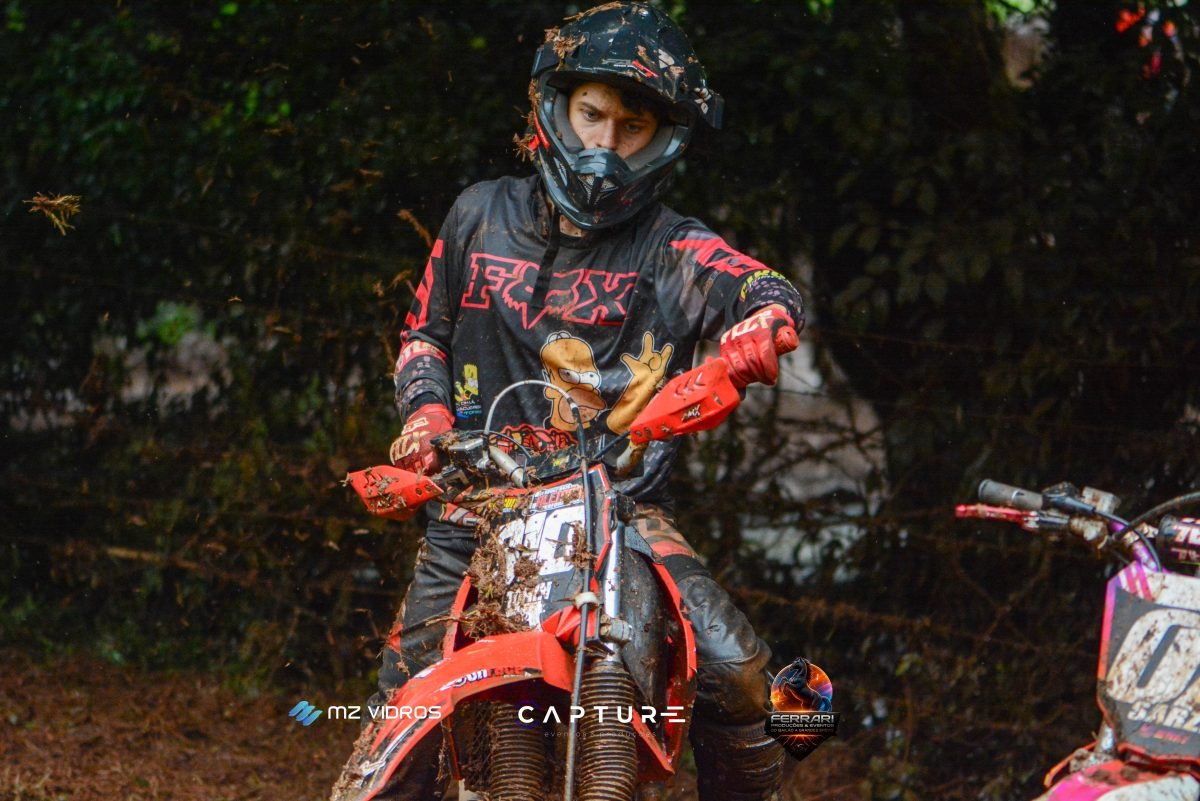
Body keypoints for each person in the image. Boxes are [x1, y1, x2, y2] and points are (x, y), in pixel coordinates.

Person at [338, 4, 804, 800]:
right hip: (473, 510)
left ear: (664, 139)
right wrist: (425, 414)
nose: (605, 144)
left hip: (622, 516)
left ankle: (777, 765)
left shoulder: (672, 246)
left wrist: (765, 319)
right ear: (552, 109)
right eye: (592, 114)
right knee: (399, 725)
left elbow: (757, 282)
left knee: (743, 679)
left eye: (633, 125)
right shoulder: (478, 215)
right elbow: (425, 335)